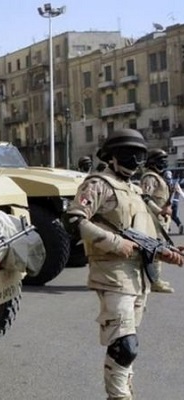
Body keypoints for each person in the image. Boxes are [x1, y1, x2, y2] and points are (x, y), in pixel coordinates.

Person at [63, 129, 183, 400]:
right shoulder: (99, 184)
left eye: (139, 154)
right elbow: (72, 220)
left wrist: (167, 252)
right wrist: (115, 243)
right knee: (124, 345)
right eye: (128, 153)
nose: (135, 160)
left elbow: (144, 236)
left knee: (128, 344)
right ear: (111, 156)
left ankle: (123, 391)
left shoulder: (135, 190)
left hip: (138, 276)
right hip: (112, 273)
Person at [140, 148, 174, 293]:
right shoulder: (150, 177)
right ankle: (155, 282)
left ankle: (156, 279)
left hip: (161, 221)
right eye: (162, 161)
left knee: (159, 250)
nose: (164, 163)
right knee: (156, 251)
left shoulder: (159, 177)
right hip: (153, 221)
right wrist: (159, 211)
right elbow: (145, 197)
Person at [166, 170, 184, 234]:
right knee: (174, 216)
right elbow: (181, 193)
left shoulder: (165, 183)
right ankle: (179, 224)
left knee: (166, 215)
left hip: (168, 202)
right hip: (176, 202)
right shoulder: (176, 184)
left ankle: (167, 228)